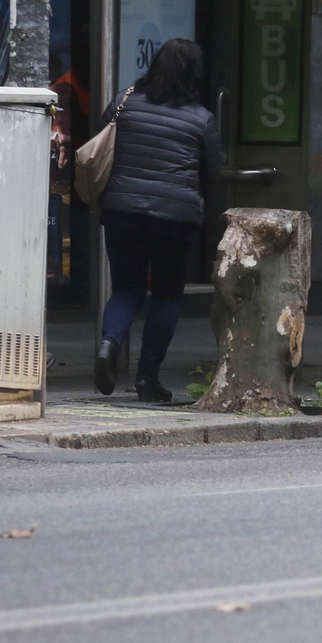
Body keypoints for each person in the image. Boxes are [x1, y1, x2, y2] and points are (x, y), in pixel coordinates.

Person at [93, 39, 221, 402]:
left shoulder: (123, 102)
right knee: (166, 295)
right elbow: (211, 174)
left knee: (126, 289)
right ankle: (148, 378)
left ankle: (108, 344)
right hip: (175, 219)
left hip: (122, 211)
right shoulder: (202, 119)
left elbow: (104, 146)